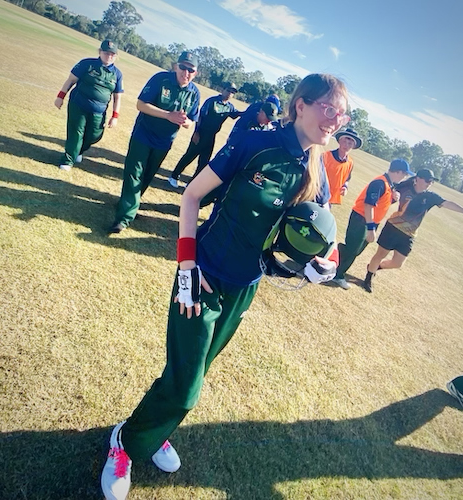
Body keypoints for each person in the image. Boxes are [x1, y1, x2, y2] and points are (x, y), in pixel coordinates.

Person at [100, 73, 350, 500]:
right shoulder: (256, 143)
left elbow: (316, 230)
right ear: (301, 105)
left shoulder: (318, 169)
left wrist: (316, 264)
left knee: (190, 371)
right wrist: (185, 267)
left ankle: (153, 429)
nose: (335, 119)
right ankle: (123, 444)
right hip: (203, 275)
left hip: (245, 287)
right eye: (328, 107)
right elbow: (191, 197)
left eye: (341, 112)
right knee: (186, 390)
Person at [108, 51, 200, 233]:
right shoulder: (161, 79)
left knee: (147, 176)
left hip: (164, 141)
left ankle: (128, 203)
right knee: (134, 173)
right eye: (183, 67)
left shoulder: (194, 93)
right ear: (176, 66)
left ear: (196, 73)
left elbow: (191, 121)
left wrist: (184, 121)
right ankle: (124, 218)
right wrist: (168, 115)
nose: (186, 73)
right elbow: (141, 105)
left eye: (191, 70)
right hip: (144, 133)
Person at [363, 168, 463, 292]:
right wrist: (393, 194)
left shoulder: (430, 197)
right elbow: (389, 187)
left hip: (409, 234)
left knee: (398, 263)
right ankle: (368, 279)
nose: (429, 183)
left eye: (431, 181)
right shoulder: (404, 187)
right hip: (393, 228)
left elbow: (447, 203)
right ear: (417, 179)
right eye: (427, 180)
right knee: (380, 255)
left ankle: (374, 267)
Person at [332, 159, 413, 290]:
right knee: (353, 249)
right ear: (398, 172)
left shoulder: (388, 184)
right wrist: (370, 228)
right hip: (362, 219)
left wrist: (392, 199)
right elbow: (368, 205)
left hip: (369, 221)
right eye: (404, 174)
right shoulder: (380, 183)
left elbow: (380, 203)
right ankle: (337, 274)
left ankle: (334, 263)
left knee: (355, 249)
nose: (405, 177)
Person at [54, 40, 123, 171]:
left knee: (94, 135)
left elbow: (117, 97)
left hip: (99, 111)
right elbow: (71, 80)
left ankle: (79, 151)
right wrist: (60, 97)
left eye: (112, 54)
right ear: (100, 52)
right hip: (78, 104)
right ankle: (68, 161)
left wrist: (115, 116)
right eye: (106, 53)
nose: (109, 56)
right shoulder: (87, 64)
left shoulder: (117, 74)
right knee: (76, 133)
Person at [167, 82, 241, 188]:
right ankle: (174, 176)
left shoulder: (229, 107)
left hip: (211, 137)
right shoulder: (212, 101)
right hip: (201, 133)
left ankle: (192, 183)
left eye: (232, 92)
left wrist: (252, 111)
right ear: (223, 90)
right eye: (228, 90)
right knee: (189, 156)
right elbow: (200, 117)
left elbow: (236, 114)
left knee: (204, 162)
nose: (230, 94)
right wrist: (196, 132)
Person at [323, 128, 362, 205]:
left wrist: (345, 187)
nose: (346, 145)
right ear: (339, 141)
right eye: (344, 141)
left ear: (353, 146)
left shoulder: (350, 162)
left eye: (350, 144)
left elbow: (347, 179)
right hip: (318, 194)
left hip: (331, 199)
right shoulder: (326, 156)